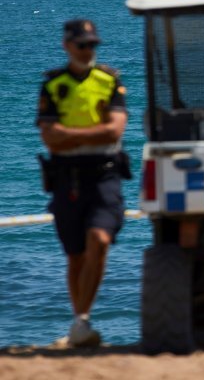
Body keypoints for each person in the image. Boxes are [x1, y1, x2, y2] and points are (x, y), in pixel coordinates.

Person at [36, 19, 130, 347]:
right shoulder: (53, 85)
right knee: (76, 255)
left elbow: (115, 130)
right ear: (67, 46)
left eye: (93, 45)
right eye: (82, 45)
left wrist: (69, 136)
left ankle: (82, 320)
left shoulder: (109, 80)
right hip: (67, 179)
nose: (89, 51)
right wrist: (88, 134)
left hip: (105, 175)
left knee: (100, 239)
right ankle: (80, 324)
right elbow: (50, 141)